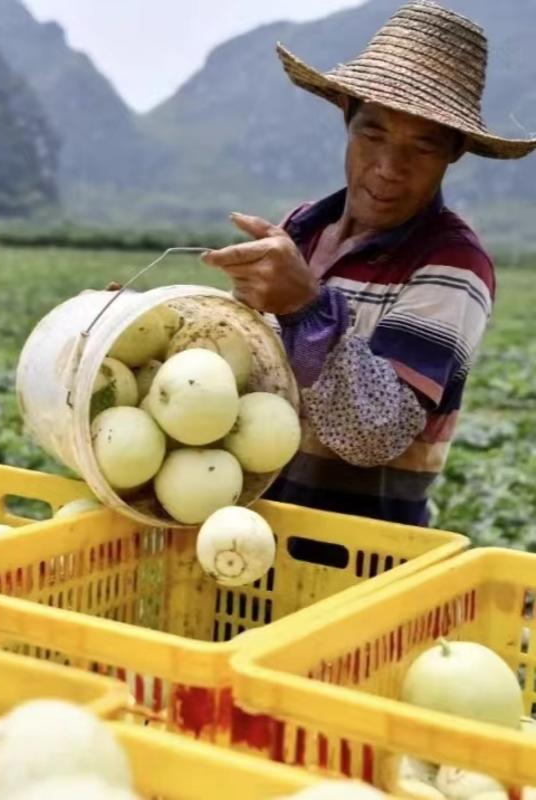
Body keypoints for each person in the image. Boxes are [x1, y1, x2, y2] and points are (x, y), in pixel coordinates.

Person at [202, 0, 536, 526]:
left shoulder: (454, 262)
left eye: (421, 148)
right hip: (245, 535)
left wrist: (307, 310)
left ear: (455, 152)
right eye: (373, 134)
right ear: (346, 117)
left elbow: (377, 433)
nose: (387, 169)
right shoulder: (302, 228)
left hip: (357, 562)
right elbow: (245, 373)